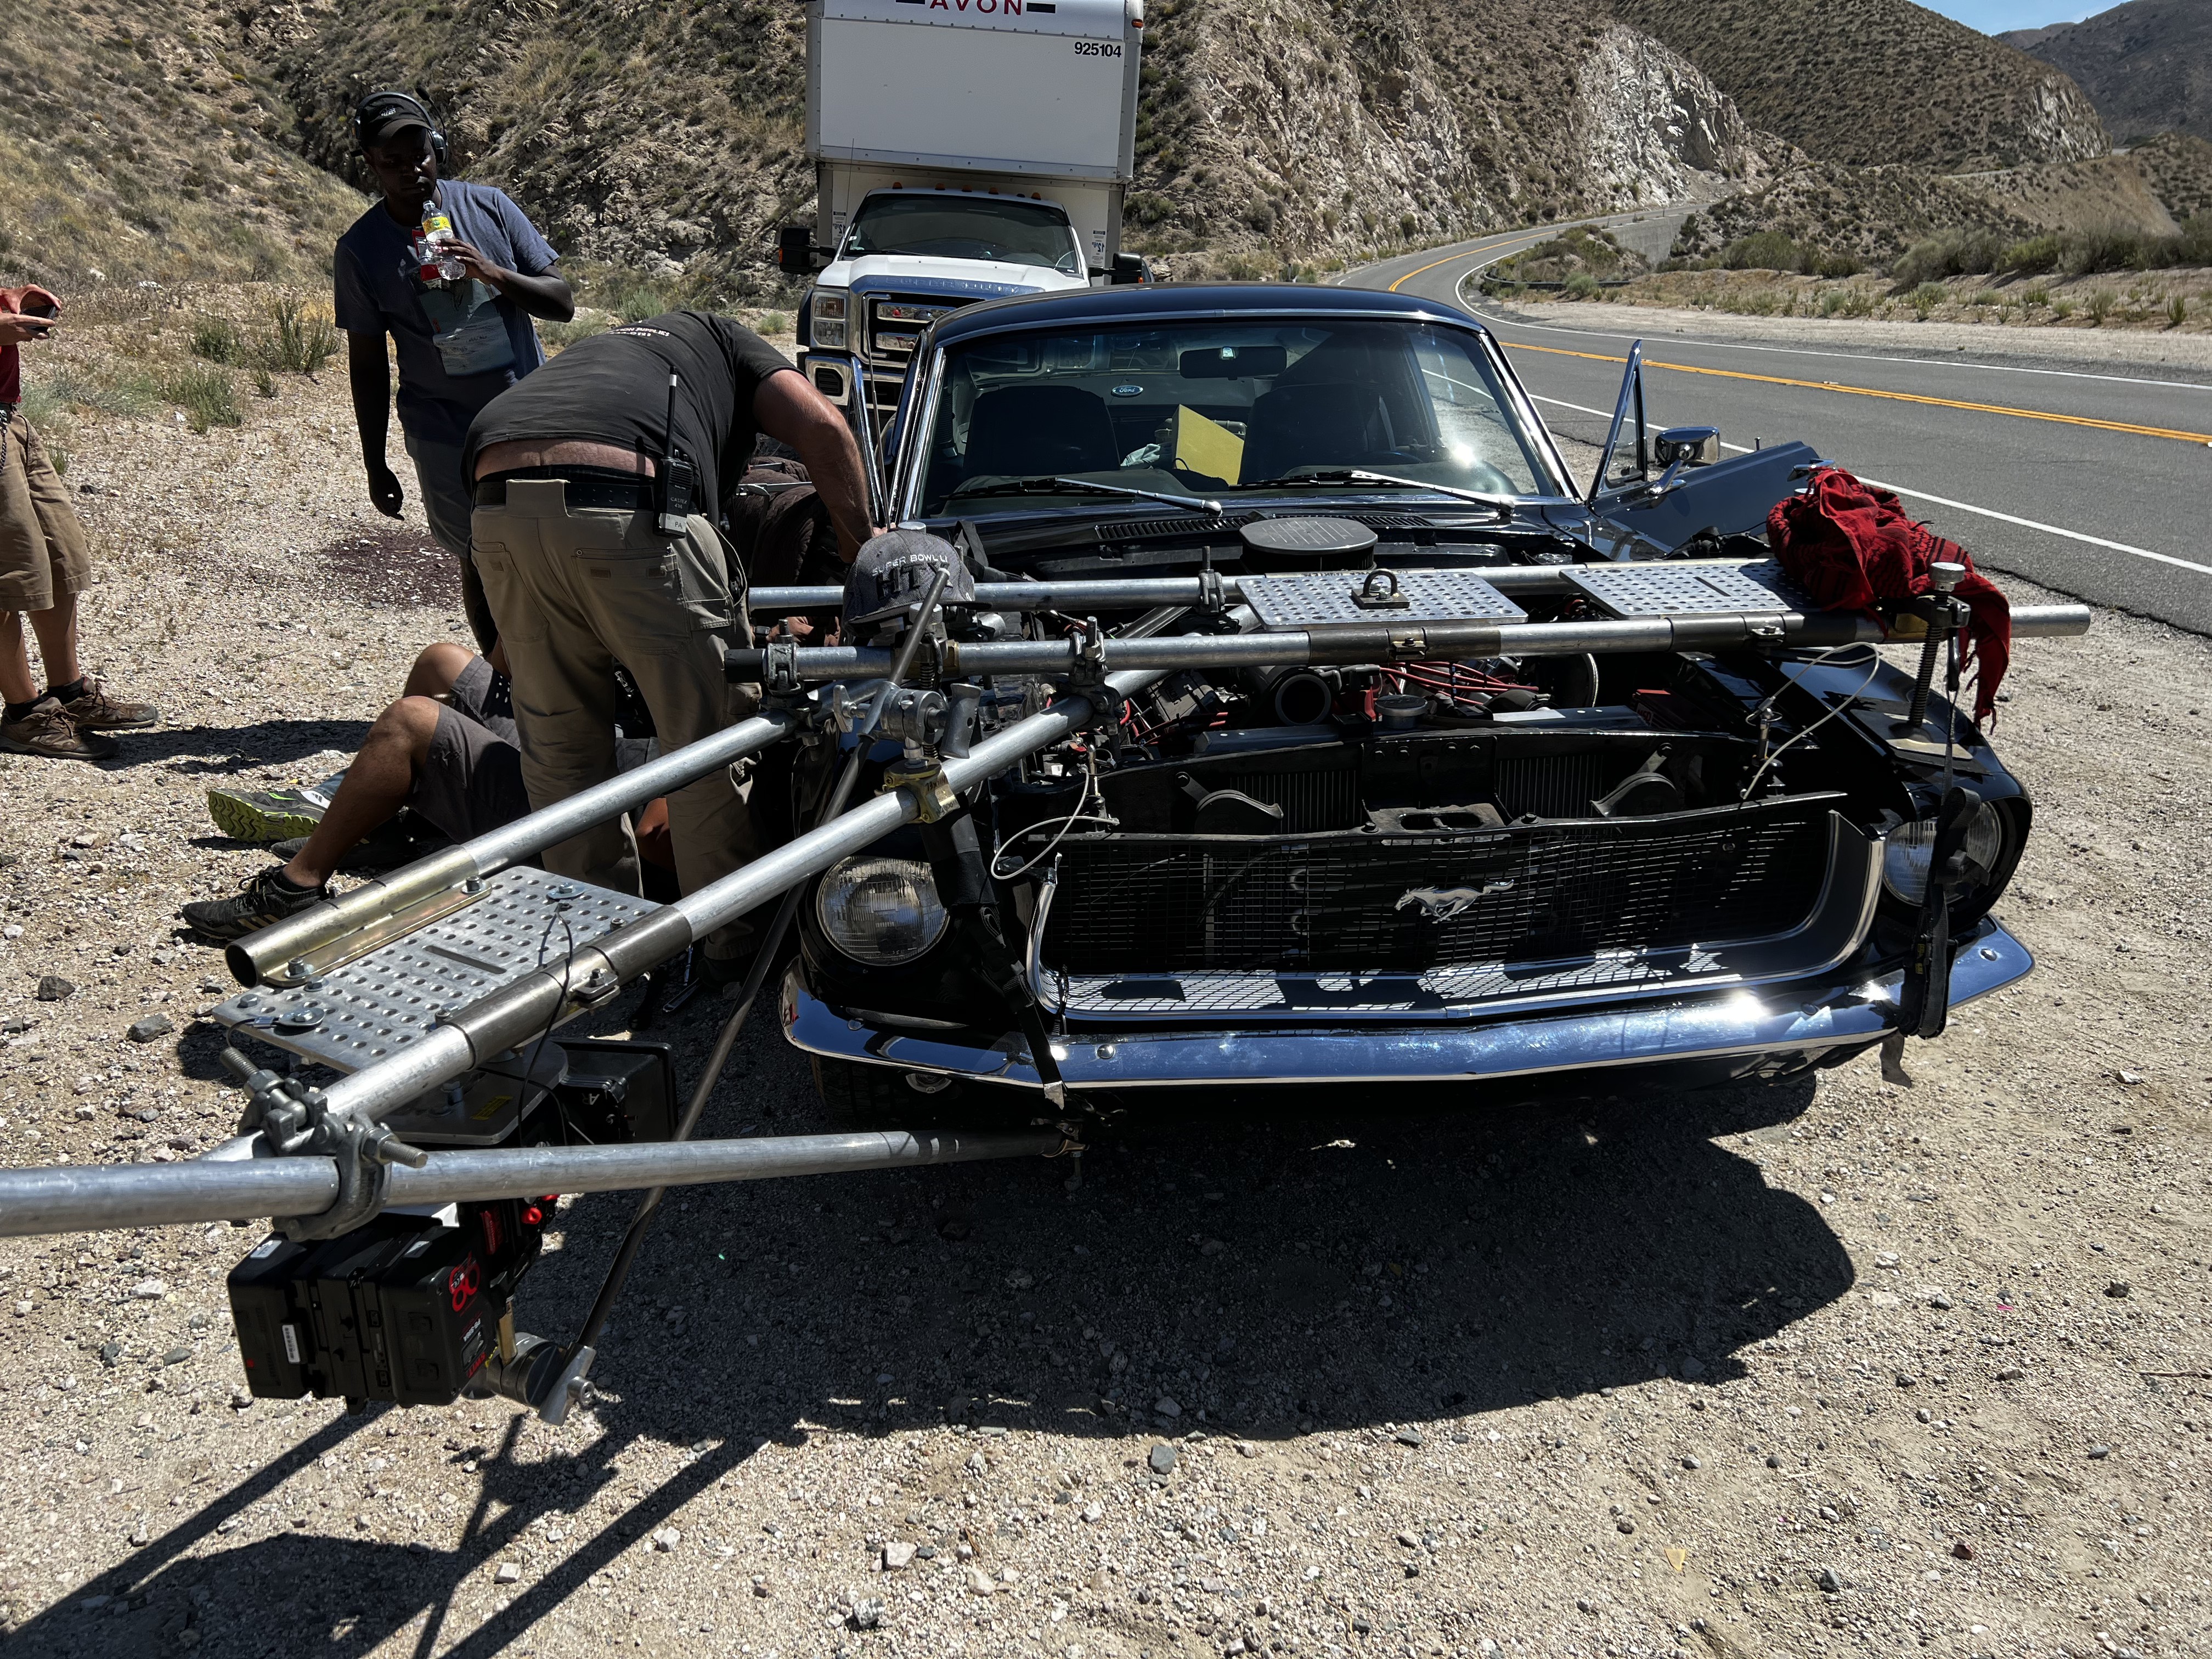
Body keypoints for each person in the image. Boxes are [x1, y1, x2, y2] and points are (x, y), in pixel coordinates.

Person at [463, 311, 879, 974]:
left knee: (563, 757)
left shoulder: (595, 360)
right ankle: (730, 946)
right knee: (707, 749)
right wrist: (865, 565)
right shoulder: (728, 341)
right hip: (632, 503)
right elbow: (825, 427)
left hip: (497, 500)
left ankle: (591, 956)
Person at [336, 90, 574, 655]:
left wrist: (494, 273)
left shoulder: (490, 207)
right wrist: (375, 463)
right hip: (445, 436)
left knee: (551, 555)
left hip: (527, 421)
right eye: (391, 162)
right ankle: (500, 690)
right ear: (370, 165)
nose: (410, 170)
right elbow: (367, 364)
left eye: (418, 153)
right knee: (479, 558)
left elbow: (561, 301)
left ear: (436, 145)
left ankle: (558, 685)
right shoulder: (361, 251)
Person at [182, 644, 525, 940]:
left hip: (565, 809)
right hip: (552, 750)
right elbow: (506, 668)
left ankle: (294, 891)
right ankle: (397, 827)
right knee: (439, 663)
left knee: (409, 722)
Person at [1, 284, 158, 760]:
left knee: (57, 554)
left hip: (11, 419)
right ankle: (24, 714)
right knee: (7, 572)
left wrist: (13, 300)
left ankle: (68, 693)